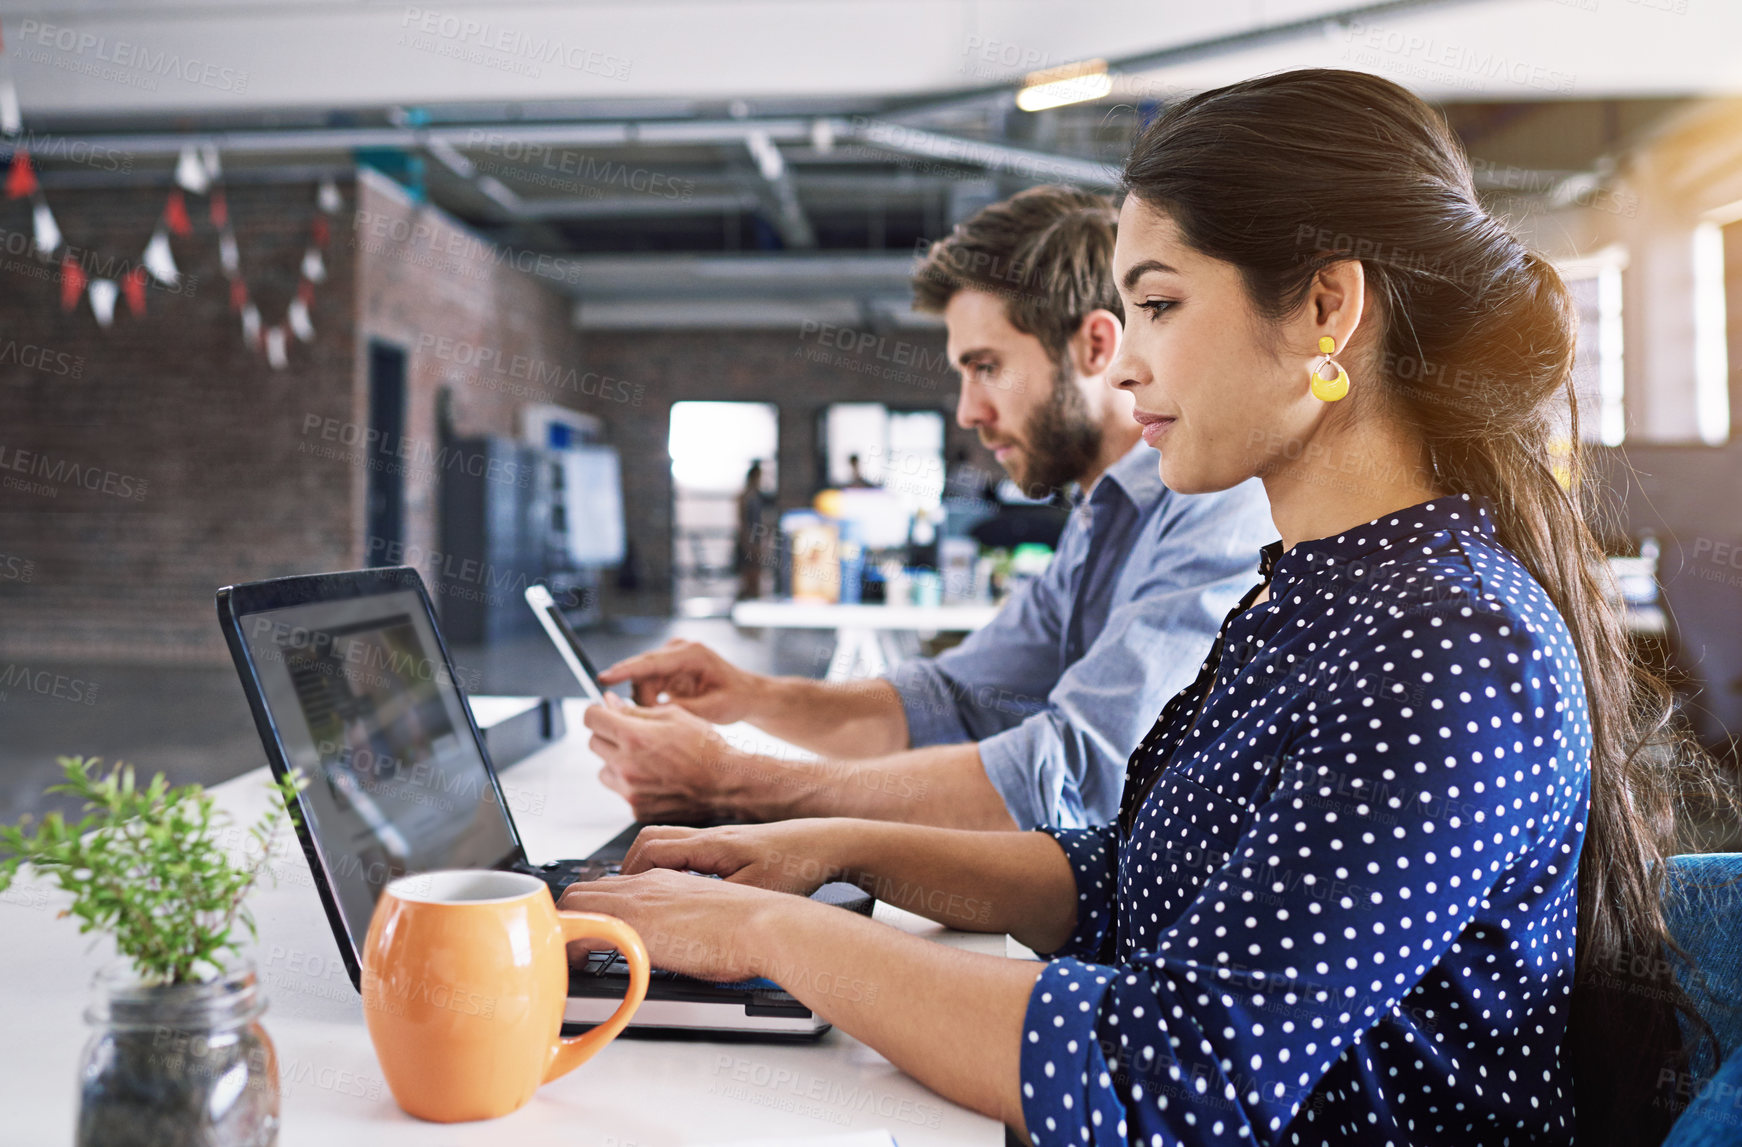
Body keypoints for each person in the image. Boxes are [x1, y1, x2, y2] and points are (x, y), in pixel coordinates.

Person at [562, 69, 1715, 1146]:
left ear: (1325, 308)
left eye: (1158, 304)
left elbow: (1167, 1073)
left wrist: (767, 932)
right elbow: (1131, 882)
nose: (1123, 368)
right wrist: (832, 849)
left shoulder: (1446, 643)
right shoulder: (1319, 593)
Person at [586, 186, 1275, 831]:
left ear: (1095, 345)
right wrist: (752, 694)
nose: (970, 411)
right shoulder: (1102, 517)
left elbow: (1077, 775)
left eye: (986, 366)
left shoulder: (1217, 508)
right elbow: (948, 701)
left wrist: (734, 781)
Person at [735, 459, 770, 600]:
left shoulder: (756, 497)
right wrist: (747, 541)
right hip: (749, 538)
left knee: (756, 571)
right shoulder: (746, 497)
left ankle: (753, 597)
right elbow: (743, 520)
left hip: (755, 538)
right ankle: (748, 598)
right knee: (749, 571)